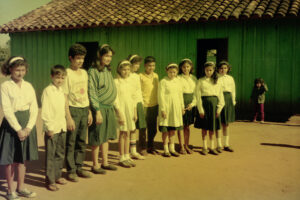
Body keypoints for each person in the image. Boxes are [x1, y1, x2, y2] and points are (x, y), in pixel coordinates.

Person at [0, 56, 38, 200]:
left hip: (27, 124)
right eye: (17, 70)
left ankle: (20, 187)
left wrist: (28, 128)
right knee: (10, 159)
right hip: (11, 126)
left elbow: (34, 107)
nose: (20, 73)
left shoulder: (29, 85)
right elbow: (7, 110)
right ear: (10, 70)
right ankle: (10, 191)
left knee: (22, 159)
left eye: (23, 70)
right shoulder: (5, 86)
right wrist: (18, 129)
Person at [63, 44, 93, 182]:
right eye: (78, 58)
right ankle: (71, 170)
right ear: (71, 58)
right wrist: (68, 116)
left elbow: (86, 93)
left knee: (81, 140)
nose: (81, 61)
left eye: (82, 58)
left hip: (84, 109)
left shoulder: (85, 73)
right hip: (73, 109)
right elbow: (65, 96)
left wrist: (89, 112)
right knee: (71, 141)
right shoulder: (66, 73)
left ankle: (79, 167)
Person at [88, 44, 118, 174]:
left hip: (109, 108)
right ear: (100, 55)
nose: (108, 58)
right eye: (106, 55)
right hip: (99, 109)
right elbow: (92, 92)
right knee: (97, 137)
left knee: (105, 137)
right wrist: (97, 111)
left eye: (110, 56)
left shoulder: (107, 70)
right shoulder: (93, 71)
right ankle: (95, 165)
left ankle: (105, 162)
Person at [41, 65, 68, 191]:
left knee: (60, 153)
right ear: (52, 77)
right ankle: (50, 180)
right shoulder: (48, 91)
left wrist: (65, 123)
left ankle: (57, 176)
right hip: (52, 128)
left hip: (62, 127)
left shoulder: (62, 91)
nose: (60, 80)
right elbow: (46, 111)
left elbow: (62, 109)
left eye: (62, 78)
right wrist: (49, 128)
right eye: (58, 77)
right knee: (51, 155)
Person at [194, 61, 224, 155]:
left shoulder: (217, 81)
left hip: (214, 106)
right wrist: (200, 110)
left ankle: (212, 147)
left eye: (210, 70)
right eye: (207, 70)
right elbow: (197, 96)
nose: (208, 72)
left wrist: (219, 109)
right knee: (204, 128)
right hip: (204, 105)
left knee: (212, 128)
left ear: (213, 70)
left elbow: (220, 96)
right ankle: (204, 147)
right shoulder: (200, 81)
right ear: (204, 70)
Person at [158, 63, 185, 157]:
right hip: (166, 108)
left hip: (176, 108)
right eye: (170, 72)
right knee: (165, 129)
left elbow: (180, 95)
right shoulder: (163, 81)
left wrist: (182, 106)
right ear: (167, 71)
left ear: (177, 72)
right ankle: (166, 150)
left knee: (173, 128)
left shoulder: (178, 81)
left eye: (174, 72)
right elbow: (160, 96)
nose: (172, 74)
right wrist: (163, 109)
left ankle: (172, 149)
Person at [114, 60, 138, 168]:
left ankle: (127, 156)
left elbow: (134, 98)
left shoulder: (131, 82)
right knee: (122, 133)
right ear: (119, 69)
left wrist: (135, 112)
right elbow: (115, 99)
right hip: (122, 110)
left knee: (128, 132)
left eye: (128, 69)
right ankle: (121, 157)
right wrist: (119, 113)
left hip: (130, 110)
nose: (126, 71)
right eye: (124, 69)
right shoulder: (116, 82)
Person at [140, 56, 159, 155]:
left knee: (153, 128)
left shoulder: (156, 76)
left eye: (153, 65)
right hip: (144, 105)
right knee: (143, 128)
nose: (151, 68)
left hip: (154, 105)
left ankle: (151, 146)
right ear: (145, 66)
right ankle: (143, 147)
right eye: (149, 66)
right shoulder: (141, 76)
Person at [128, 54, 146, 160]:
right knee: (129, 127)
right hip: (130, 104)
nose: (137, 66)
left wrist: (141, 103)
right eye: (135, 64)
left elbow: (138, 91)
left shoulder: (136, 76)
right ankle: (127, 152)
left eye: (138, 64)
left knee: (135, 128)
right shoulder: (126, 76)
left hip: (138, 103)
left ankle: (133, 151)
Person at [177, 59, 197, 154]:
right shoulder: (178, 78)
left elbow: (196, 94)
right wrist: (181, 106)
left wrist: (192, 104)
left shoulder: (194, 79)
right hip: (181, 102)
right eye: (184, 67)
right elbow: (178, 93)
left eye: (188, 67)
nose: (186, 69)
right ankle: (181, 147)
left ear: (191, 67)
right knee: (181, 125)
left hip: (190, 104)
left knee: (187, 126)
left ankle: (186, 145)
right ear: (181, 68)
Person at [216, 61, 236, 153]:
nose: (223, 70)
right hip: (219, 99)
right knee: (218, 123)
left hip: (228, 100)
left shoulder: (230, 78)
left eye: (225, 68)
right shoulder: (215, 78)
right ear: (218, 69)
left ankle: (226, 144)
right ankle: (219, 145)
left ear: (228, 69)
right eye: (221, 68)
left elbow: (233, 90)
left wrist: (233, 100)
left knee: (226, 123)